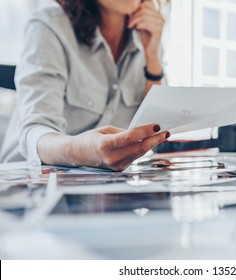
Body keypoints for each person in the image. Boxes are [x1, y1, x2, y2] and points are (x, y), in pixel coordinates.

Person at [0, 0, 169, 171]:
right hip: (28, 178)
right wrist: (81, 150)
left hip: (100, 182)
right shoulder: (50, 25)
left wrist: (153, 57)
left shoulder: (146, 34)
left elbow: (157, 135)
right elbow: (35, 133)